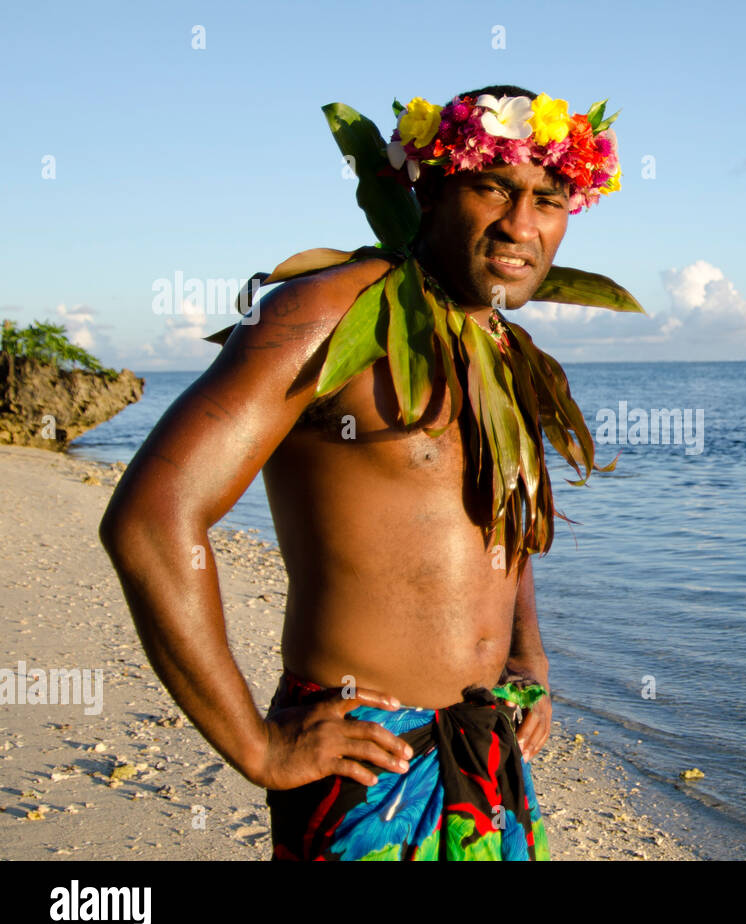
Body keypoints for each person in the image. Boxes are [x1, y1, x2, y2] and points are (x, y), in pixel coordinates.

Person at [98, 84, 628, 860]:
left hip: (485, 746)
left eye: (548, 199)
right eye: (494, 188)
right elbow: (151, 518)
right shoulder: (325, 314)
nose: (522, 224)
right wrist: (256, 745)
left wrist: (528, 655)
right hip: (366, 753)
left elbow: (499, 512)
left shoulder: (502, 347)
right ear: (428, 187)